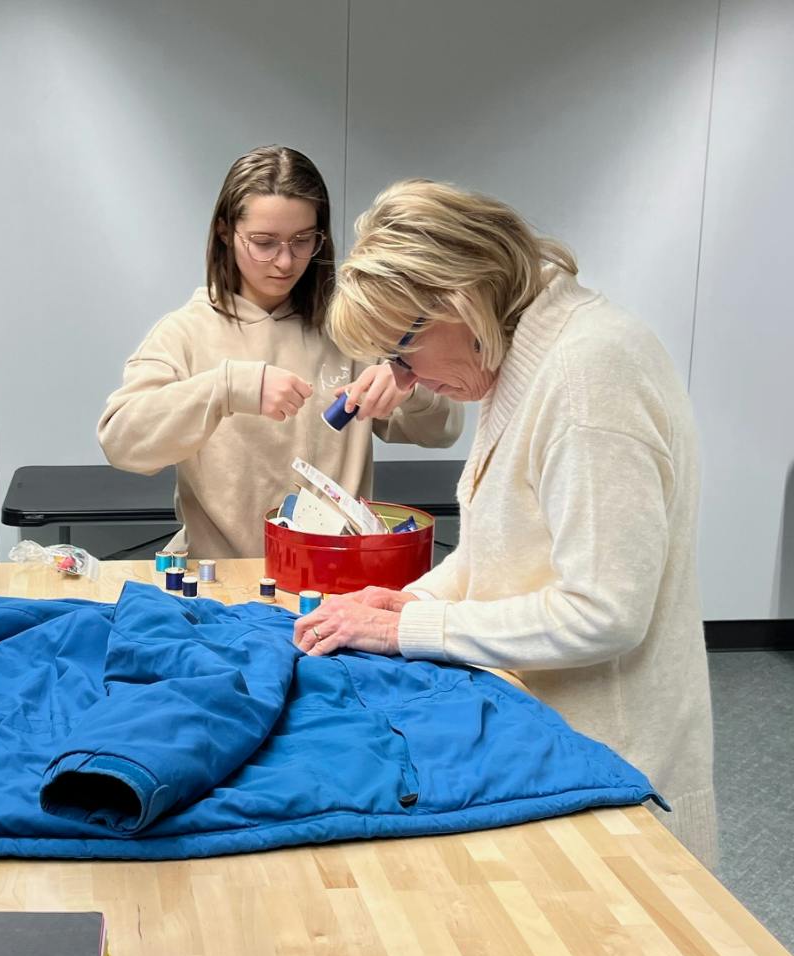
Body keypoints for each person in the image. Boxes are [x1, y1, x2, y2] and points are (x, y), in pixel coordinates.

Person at [292, 179, 716, 865]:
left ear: (456, 301)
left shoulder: (586, 374)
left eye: (402, 355)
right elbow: (512, 539)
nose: (405, 381)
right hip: (553, 740)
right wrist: (418, 599)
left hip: (613, 769)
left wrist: (412, 630)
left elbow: (604, 611)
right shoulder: (528, 355)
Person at [98, 146, 462, 559]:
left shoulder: (351, 326)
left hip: (336, 582)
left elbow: (443, 430)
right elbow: (121, 442)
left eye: (303, 241)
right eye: (264, 242)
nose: (285, 262)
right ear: (224, 232)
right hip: (222, 586)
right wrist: (228, 387)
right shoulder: (184, 333)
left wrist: (408, 386)